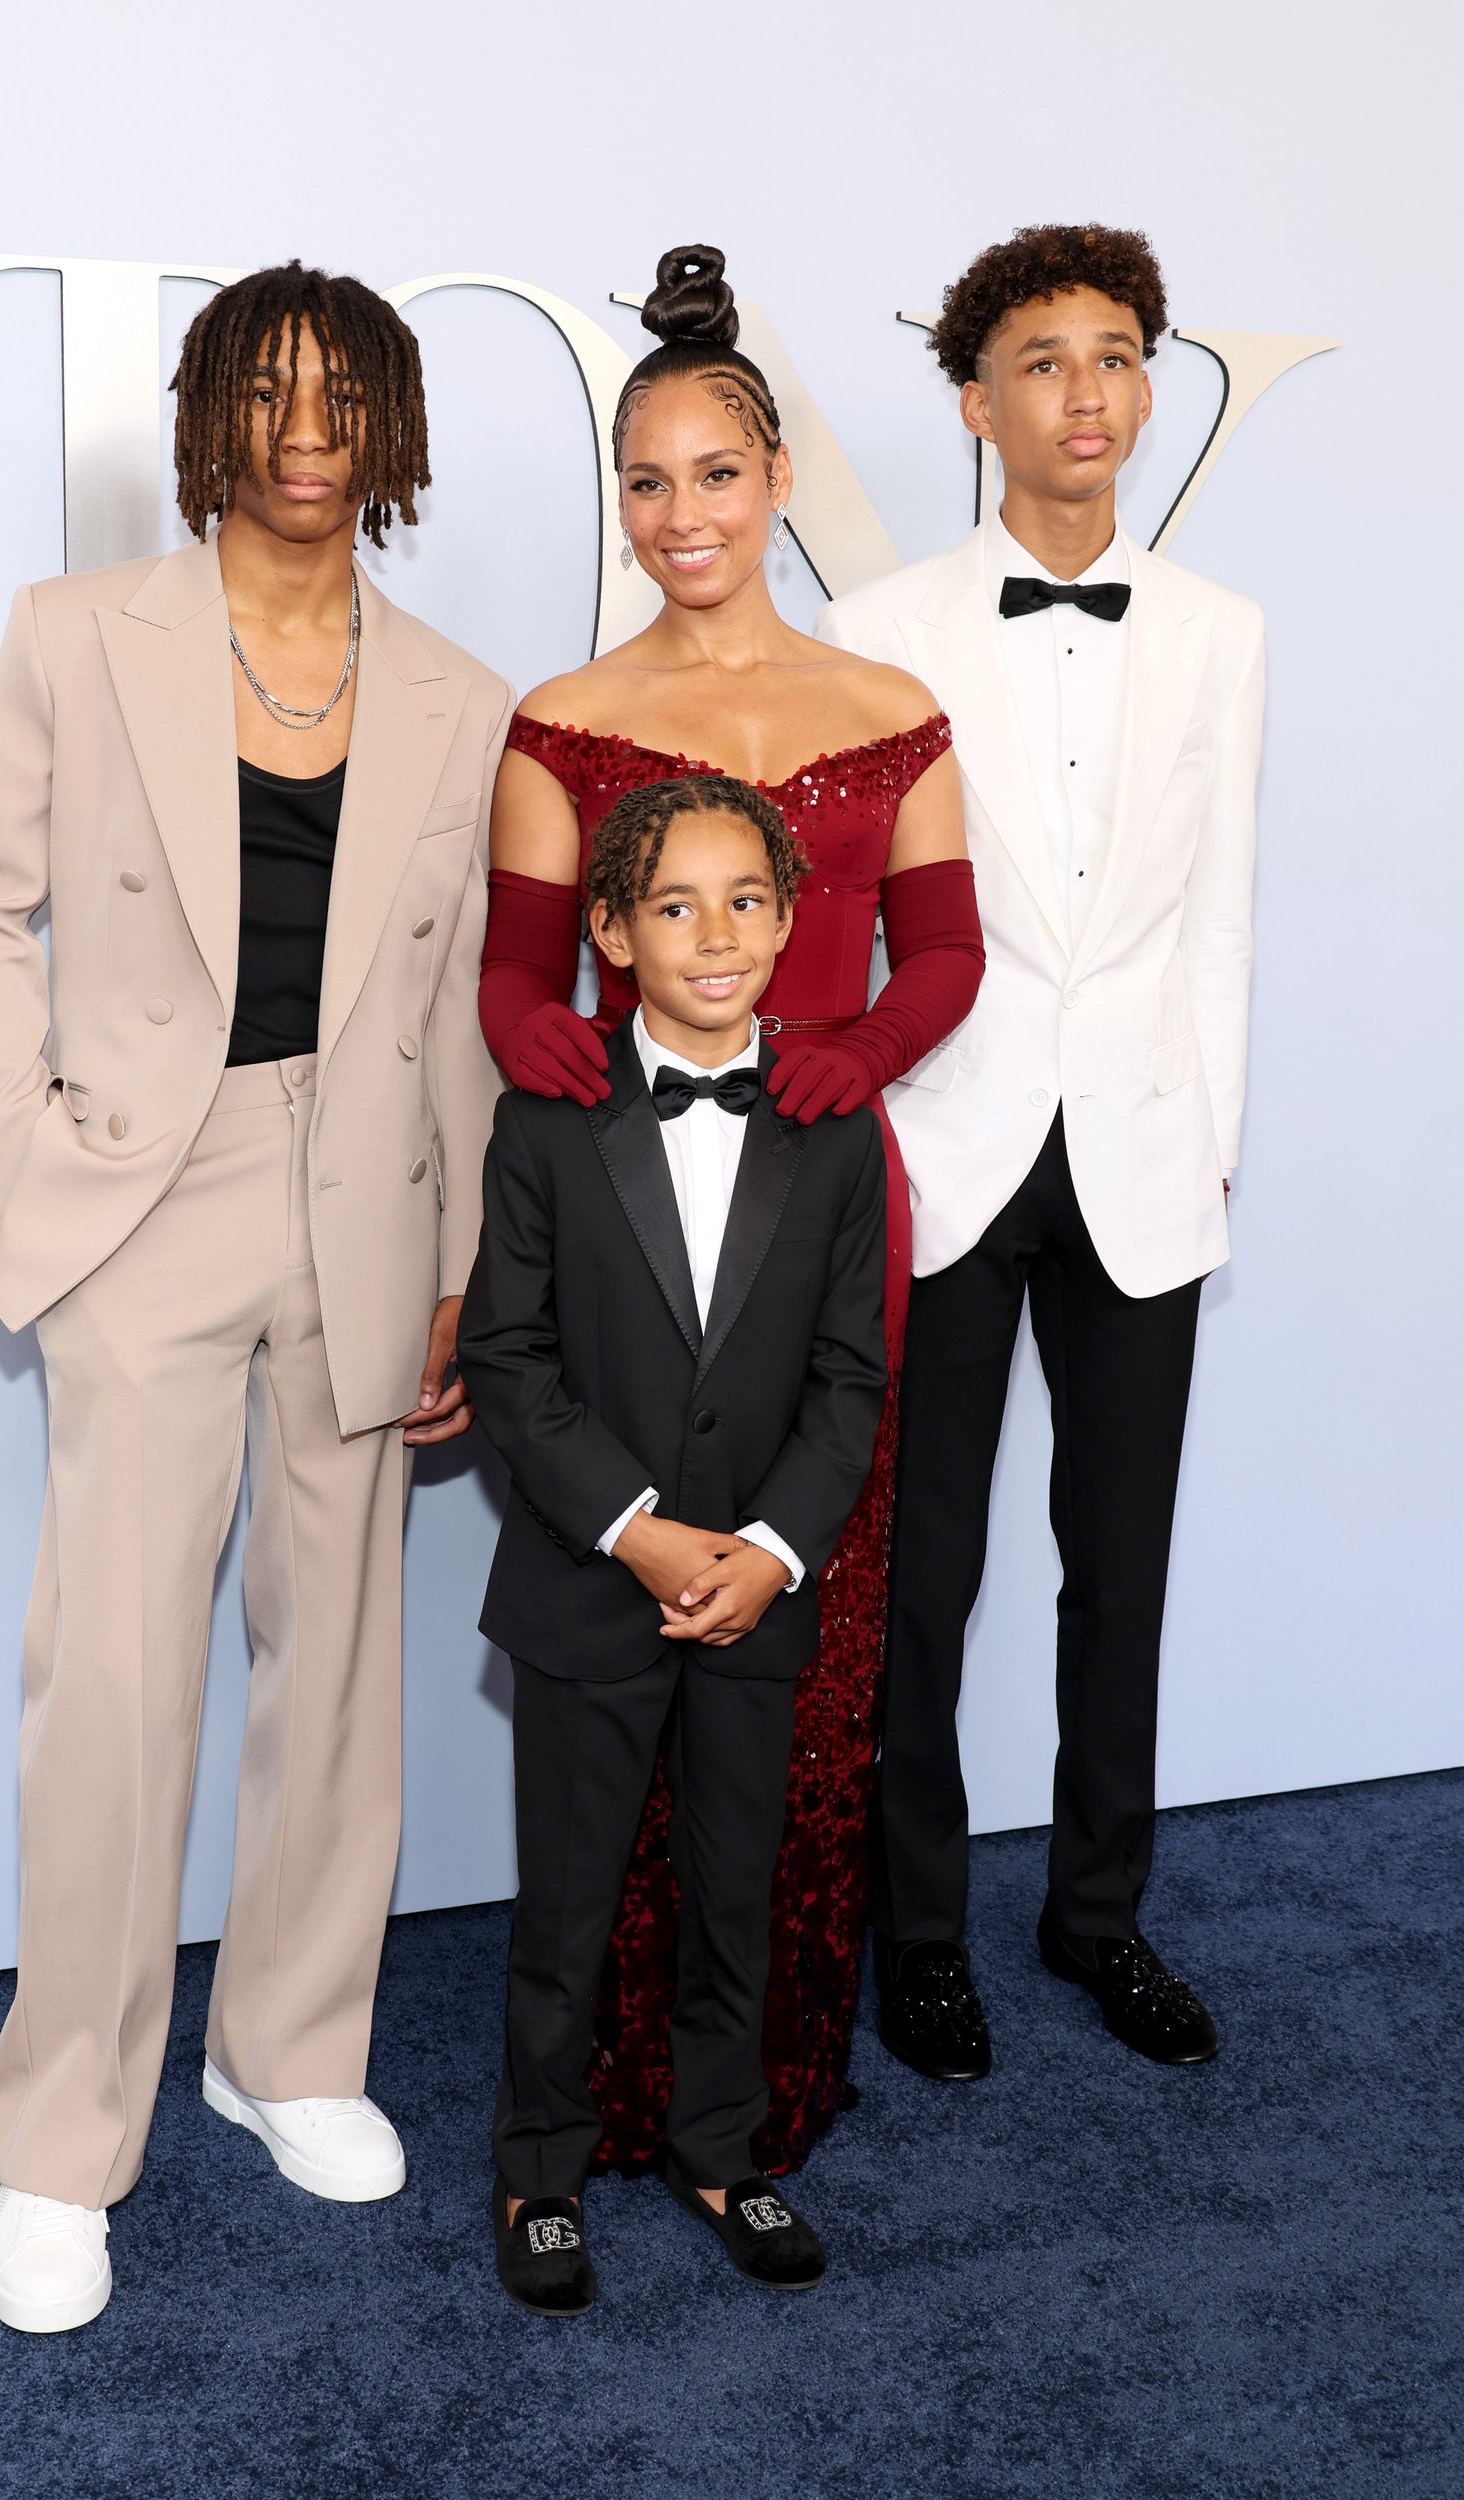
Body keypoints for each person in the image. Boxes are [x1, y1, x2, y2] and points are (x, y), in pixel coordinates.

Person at [0, 262, 512, 2332]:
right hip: (140, 1193)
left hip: (358, 1196)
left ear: (387, 425)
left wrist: (460, 1267)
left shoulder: (457, 687)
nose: (300, 429)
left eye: (338, 395)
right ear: (206, 415)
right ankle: (60, 2142)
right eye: (262, 392)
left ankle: (286, 2048)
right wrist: (27, 1147)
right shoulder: (75, 634)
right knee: (110, 1682)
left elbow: (452, 1007)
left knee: (338, 1659)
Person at [477, 244, 984, 2171]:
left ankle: (754, 2087)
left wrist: (857, 1052)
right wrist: (551, 1047)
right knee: (621, 1662)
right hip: (625, 1243)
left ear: (776, 481)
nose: (680, 515)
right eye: (644, 481)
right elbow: (520, 984)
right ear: (619, 502)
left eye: (714, 473)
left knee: (801, 1657)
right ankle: (587, 2092)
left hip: (821, 1229)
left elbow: (945, 951)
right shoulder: (562, 715)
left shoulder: (889, 702)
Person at [819, 224, 1264, 2077]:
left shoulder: (1225, 633)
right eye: (1044, 359)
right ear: (974, 397)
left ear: (1146, 387)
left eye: (1115, 356)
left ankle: (1098, 1916)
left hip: (1142, 1161)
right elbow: (850, 923)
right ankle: (916, 1936)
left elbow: (1218, 914)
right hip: (946, 1147)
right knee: (922, 1576)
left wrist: (1207, 1152)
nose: (1086, 393)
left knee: (1123, 1562)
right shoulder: (883, 629)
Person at [460, 775, 889, 2312]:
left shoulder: (834, 1130)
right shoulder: (546, 1121)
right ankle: (540, 2165)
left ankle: (724, 2148)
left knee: (737, 1887)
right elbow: (509, 1362)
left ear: (789, 921)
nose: (716, 936)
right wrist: (640, 1533)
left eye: (747, 902)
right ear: (610, 931)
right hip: (595, 1588)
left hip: (758, 1597)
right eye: (674, 906)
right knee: (567, 1904)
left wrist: (769, 1549)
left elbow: (851, 1376)